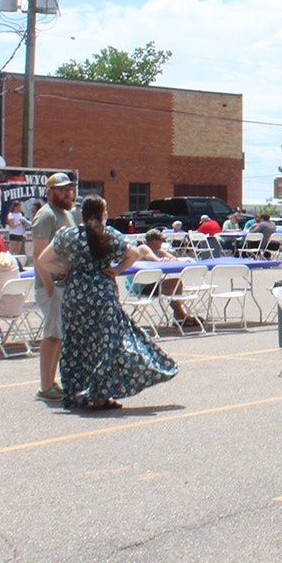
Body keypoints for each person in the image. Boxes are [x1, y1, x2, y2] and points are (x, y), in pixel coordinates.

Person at [37, 196, 177, 412]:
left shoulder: (68, 235)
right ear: (102, 214)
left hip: (75, 294)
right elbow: (133, 253)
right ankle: (100, 395)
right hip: (102, 294)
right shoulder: (109, 234)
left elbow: (44, 260)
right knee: (104, 345)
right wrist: (117, 270)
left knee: (77, 345)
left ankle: (78, 392)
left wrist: (66, 270)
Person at [31, 173, 78, 402]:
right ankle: (44, 386)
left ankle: (51, 382)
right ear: (50, 192)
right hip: (52, 285)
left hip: (63, 284)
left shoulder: (66, 214)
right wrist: (48, 284)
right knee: (51, 334)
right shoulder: (46, 216)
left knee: (58, 334)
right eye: (61, 190)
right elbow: (38, 254)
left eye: (68, 189)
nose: (66, 193)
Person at [135, 229, 202, 328]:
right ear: (153, 241)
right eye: (160, 240)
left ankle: (180, 315)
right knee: (174, 285)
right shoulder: (143, 248)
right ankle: (181, 316)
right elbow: (155, 260)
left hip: (153, 283)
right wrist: (163, 260)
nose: (162, 243)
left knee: (176, 283)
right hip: (141, 285)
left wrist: (178, 260)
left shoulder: (158, 250)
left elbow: (172, 258)